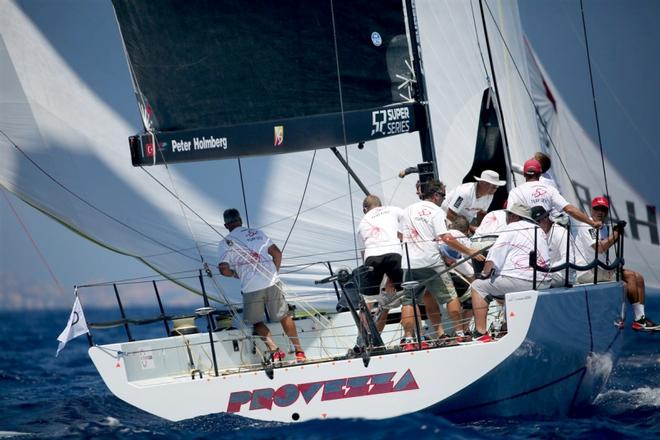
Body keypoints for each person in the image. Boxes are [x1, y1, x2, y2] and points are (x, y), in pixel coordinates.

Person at [401, 180, 486, 349]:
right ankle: (460, 333)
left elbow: (401, 236)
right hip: (431, 261)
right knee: (450, 296)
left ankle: (409, 340)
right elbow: (445, 238)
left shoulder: (407, 210)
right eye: (443, 196)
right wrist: (470, 252)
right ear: (435, 195)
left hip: (409, 263)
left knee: (409, 301)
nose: (444, 200)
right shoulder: (436, 211)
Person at [217, 208, 306, 362]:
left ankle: (274, 350)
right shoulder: (258, 233)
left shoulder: (225, 242)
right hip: (272, 281)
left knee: (255, 321)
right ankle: (299, 352)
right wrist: (274, 273)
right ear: (240, 221)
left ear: (226, 225)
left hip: (251, 287)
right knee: (284, 316)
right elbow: (277, 253)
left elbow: (223, 269)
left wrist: (234, 274)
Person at [470, 203, 551, 342]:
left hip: (522, 281)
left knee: (478, 286)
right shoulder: (539, 230)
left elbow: (492, 260)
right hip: (543, 281)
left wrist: (484, 274)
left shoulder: (511, 228)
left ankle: (480, 333)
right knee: (504, 283)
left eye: (508, 215)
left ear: (515, 216)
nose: (506, 218)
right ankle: (507, 328)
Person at [574, 197, 658, 332]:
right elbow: (600, 248)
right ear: (591, 209)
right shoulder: (586, 226)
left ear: (607, 212)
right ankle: (639, 321)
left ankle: (641, 318)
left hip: (600, 270)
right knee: (630, 276)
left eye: (604, 209)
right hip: (586, 272)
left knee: (639, 277)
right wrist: (616, 234)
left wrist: (614, 233)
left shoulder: (604, 228)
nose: (600, 212)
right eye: (597, 209)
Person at [508, 158, 602, 230]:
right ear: (540, 174)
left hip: (526, 236)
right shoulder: (550, 189)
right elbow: (569, 209)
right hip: (546, 235)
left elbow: (510, 218)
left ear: (524, 174)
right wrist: (592, 223)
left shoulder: (515, 192)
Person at [356, 195, 404, 332]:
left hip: (371, 257)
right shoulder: (393, 210)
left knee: (367, 301)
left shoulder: (362, 222)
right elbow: (408, 219)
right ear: (381, 205)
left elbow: (363, 254)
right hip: (395, 254)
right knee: (408, 296)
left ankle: (364, 338)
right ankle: (409, 337)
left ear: (365, 209)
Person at [439, 215, 475, 336]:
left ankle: (453, 332)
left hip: (434, 270)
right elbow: (462, 265)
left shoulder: (441, 233)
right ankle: (463, 330)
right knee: (474, 295)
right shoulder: (463, 239)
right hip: (449, 271)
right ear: (466, 230)